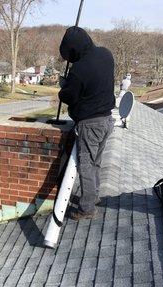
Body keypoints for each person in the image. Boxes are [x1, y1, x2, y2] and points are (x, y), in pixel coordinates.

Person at [58, 26, 115, 221]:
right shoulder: (106, 54)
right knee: (95, 162)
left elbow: (69, 97)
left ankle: (87, 208)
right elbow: (92, 85)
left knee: (86, 165)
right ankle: (93, 195)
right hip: (107, 119)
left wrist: (64, 86)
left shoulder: (79, 70)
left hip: (90, 124)